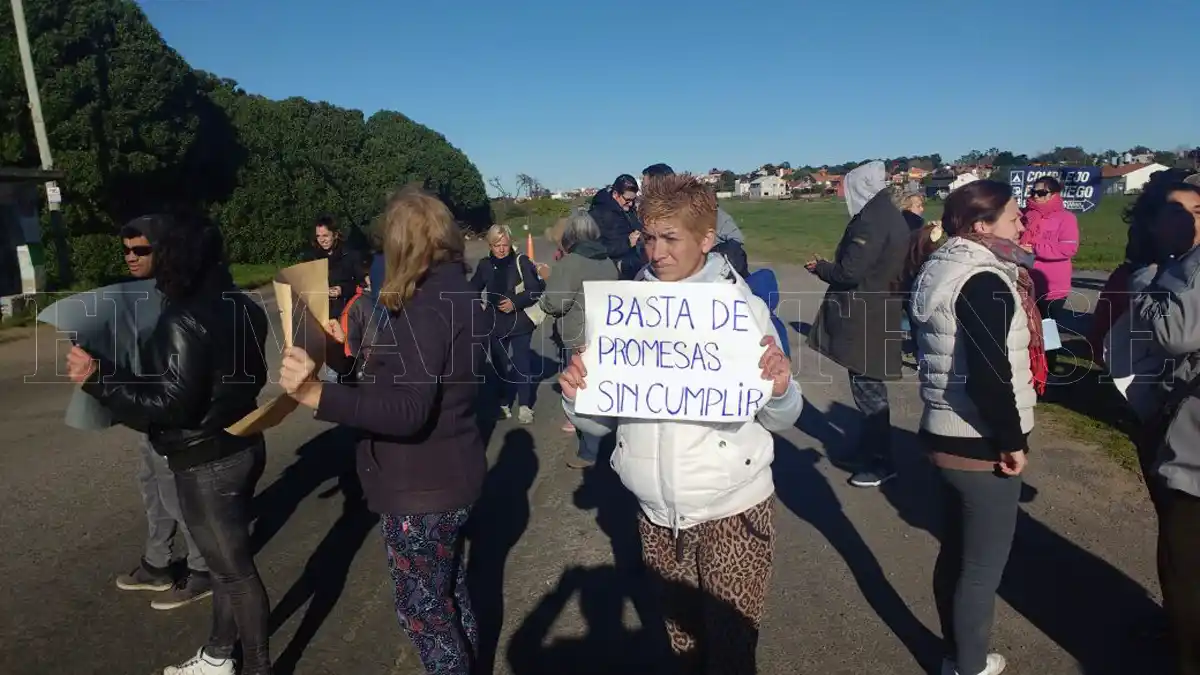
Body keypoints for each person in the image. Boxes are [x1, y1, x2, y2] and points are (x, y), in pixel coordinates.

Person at [561, 173, 802, 673]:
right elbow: (603, 422)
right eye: (649, 237)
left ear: (706, 240)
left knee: (732, 652)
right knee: (683, 649)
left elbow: (782, 414)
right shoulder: (623, 312)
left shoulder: (743, 309)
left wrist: (779, 389)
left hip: (734, 510)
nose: (656, 252)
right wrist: (578, 395)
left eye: (671, 239)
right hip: (655, 516)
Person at [278, 185, 487, 675]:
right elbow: (419, 370)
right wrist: (351, 353)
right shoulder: (455, 291)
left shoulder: (426, 305)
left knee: (425, 613)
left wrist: (315, 394)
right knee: (450, 597)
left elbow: (408, 409)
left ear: (403, 244)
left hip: (423, 485)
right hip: (454, 471)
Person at [67, 214, 272, 675]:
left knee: (235, 574)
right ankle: (220, 654)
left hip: (205, 459)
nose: (147, 260)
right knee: (226, 568)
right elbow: (254, 376)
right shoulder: (245, 305)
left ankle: (258, 666)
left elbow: (170, 404)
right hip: (243, 443)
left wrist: (100, 381)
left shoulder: (184, 316)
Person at [908, 180, 1045, 675]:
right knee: (981, 570)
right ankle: (968, 665)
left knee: (958, 556)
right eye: (1013, 217)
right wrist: (1011, 442)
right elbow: (991, 376)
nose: (1022, 225)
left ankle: (955, 654)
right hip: (978, 442)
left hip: (943, 433)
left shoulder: (943, 266)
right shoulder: (982, 279)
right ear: (982, 226)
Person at [110, 215, 214, 611]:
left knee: (174, 489)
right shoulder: (144, 291)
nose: (131, 258)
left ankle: (204, 569)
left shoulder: (180, 294)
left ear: (164, 250)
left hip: (174, 411)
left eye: (141, 250)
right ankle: (157, 562)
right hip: (149, 405)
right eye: (126, 251)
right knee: (151, 482)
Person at [1130, 181, 1200, 675]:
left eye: (1195, 209)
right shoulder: (1177, 263)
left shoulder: (1189, 266)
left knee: (1184, 555)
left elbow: (1175, 334)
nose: (1193, 220)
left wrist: (1142, 283)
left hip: (1190, 435)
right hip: (1165, 415)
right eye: (1179, 211)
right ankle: (1180, 626)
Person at [805, 160, 910, 488]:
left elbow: (849, 272)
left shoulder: (871, 221)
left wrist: (821, 267)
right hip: (879, 309)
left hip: (867, 315)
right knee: (868, 389)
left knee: (869, 393)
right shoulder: (887, 214)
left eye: (843, 186)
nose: (839, 192)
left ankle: (881, 462)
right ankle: (868, 451)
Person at [537, 208, 617, 468]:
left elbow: (556, 303)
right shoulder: (607, 261)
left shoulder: (570, 262)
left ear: (571, 235)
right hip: (603, 336)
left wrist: (546, 285)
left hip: (577, 337)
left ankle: (587, 451)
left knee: (579, 392)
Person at [469, 224, 545, 424]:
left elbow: (534, 290)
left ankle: (525, 406)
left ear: (510, 243)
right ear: (490, 246)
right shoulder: (485, 264)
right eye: (496, 245)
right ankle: (503, 403)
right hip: (495, 322)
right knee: (499, 365)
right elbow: (473, 288)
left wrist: (515, 302)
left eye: (504, 244)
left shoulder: (521, 261)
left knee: (521, 363)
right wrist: (480, 304)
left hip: (520, 321)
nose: (501, 249)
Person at [642, 163, 750, 277]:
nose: (656, 255)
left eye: (671, 239)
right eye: (649, 238)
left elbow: (736, 241)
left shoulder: (704, 211)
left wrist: (711, 261)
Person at [1018, 176, 1079, 375]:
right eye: (1033, 192)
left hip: (1053, 284)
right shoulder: (1025, 216)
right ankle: (1030, 364)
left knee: (1049, 326)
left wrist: (1035, 248)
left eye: (1041, 193)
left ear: (1054, 194)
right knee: (1027, 326)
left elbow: (1068, 249)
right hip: (1027, 281)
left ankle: (1050, 364)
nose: (1036, 196)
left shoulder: (1066, 218)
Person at [303, 214, 362, 320]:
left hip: (346, 310)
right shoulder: (312, 257)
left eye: (325, 236)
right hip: (321, 312)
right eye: (318, 236)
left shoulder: (349, 254)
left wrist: (342, 290)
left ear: (335, 235)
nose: (321, 240)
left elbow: (359, 283)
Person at [589, 173, 645, 279]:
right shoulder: (598, 214)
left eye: (633, 200)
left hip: (631, 263)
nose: (630, 204)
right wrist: (627, 243)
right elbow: (595, 249)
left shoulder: (629, 210)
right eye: (627, 200)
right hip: (610, 271)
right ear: (615, 194)